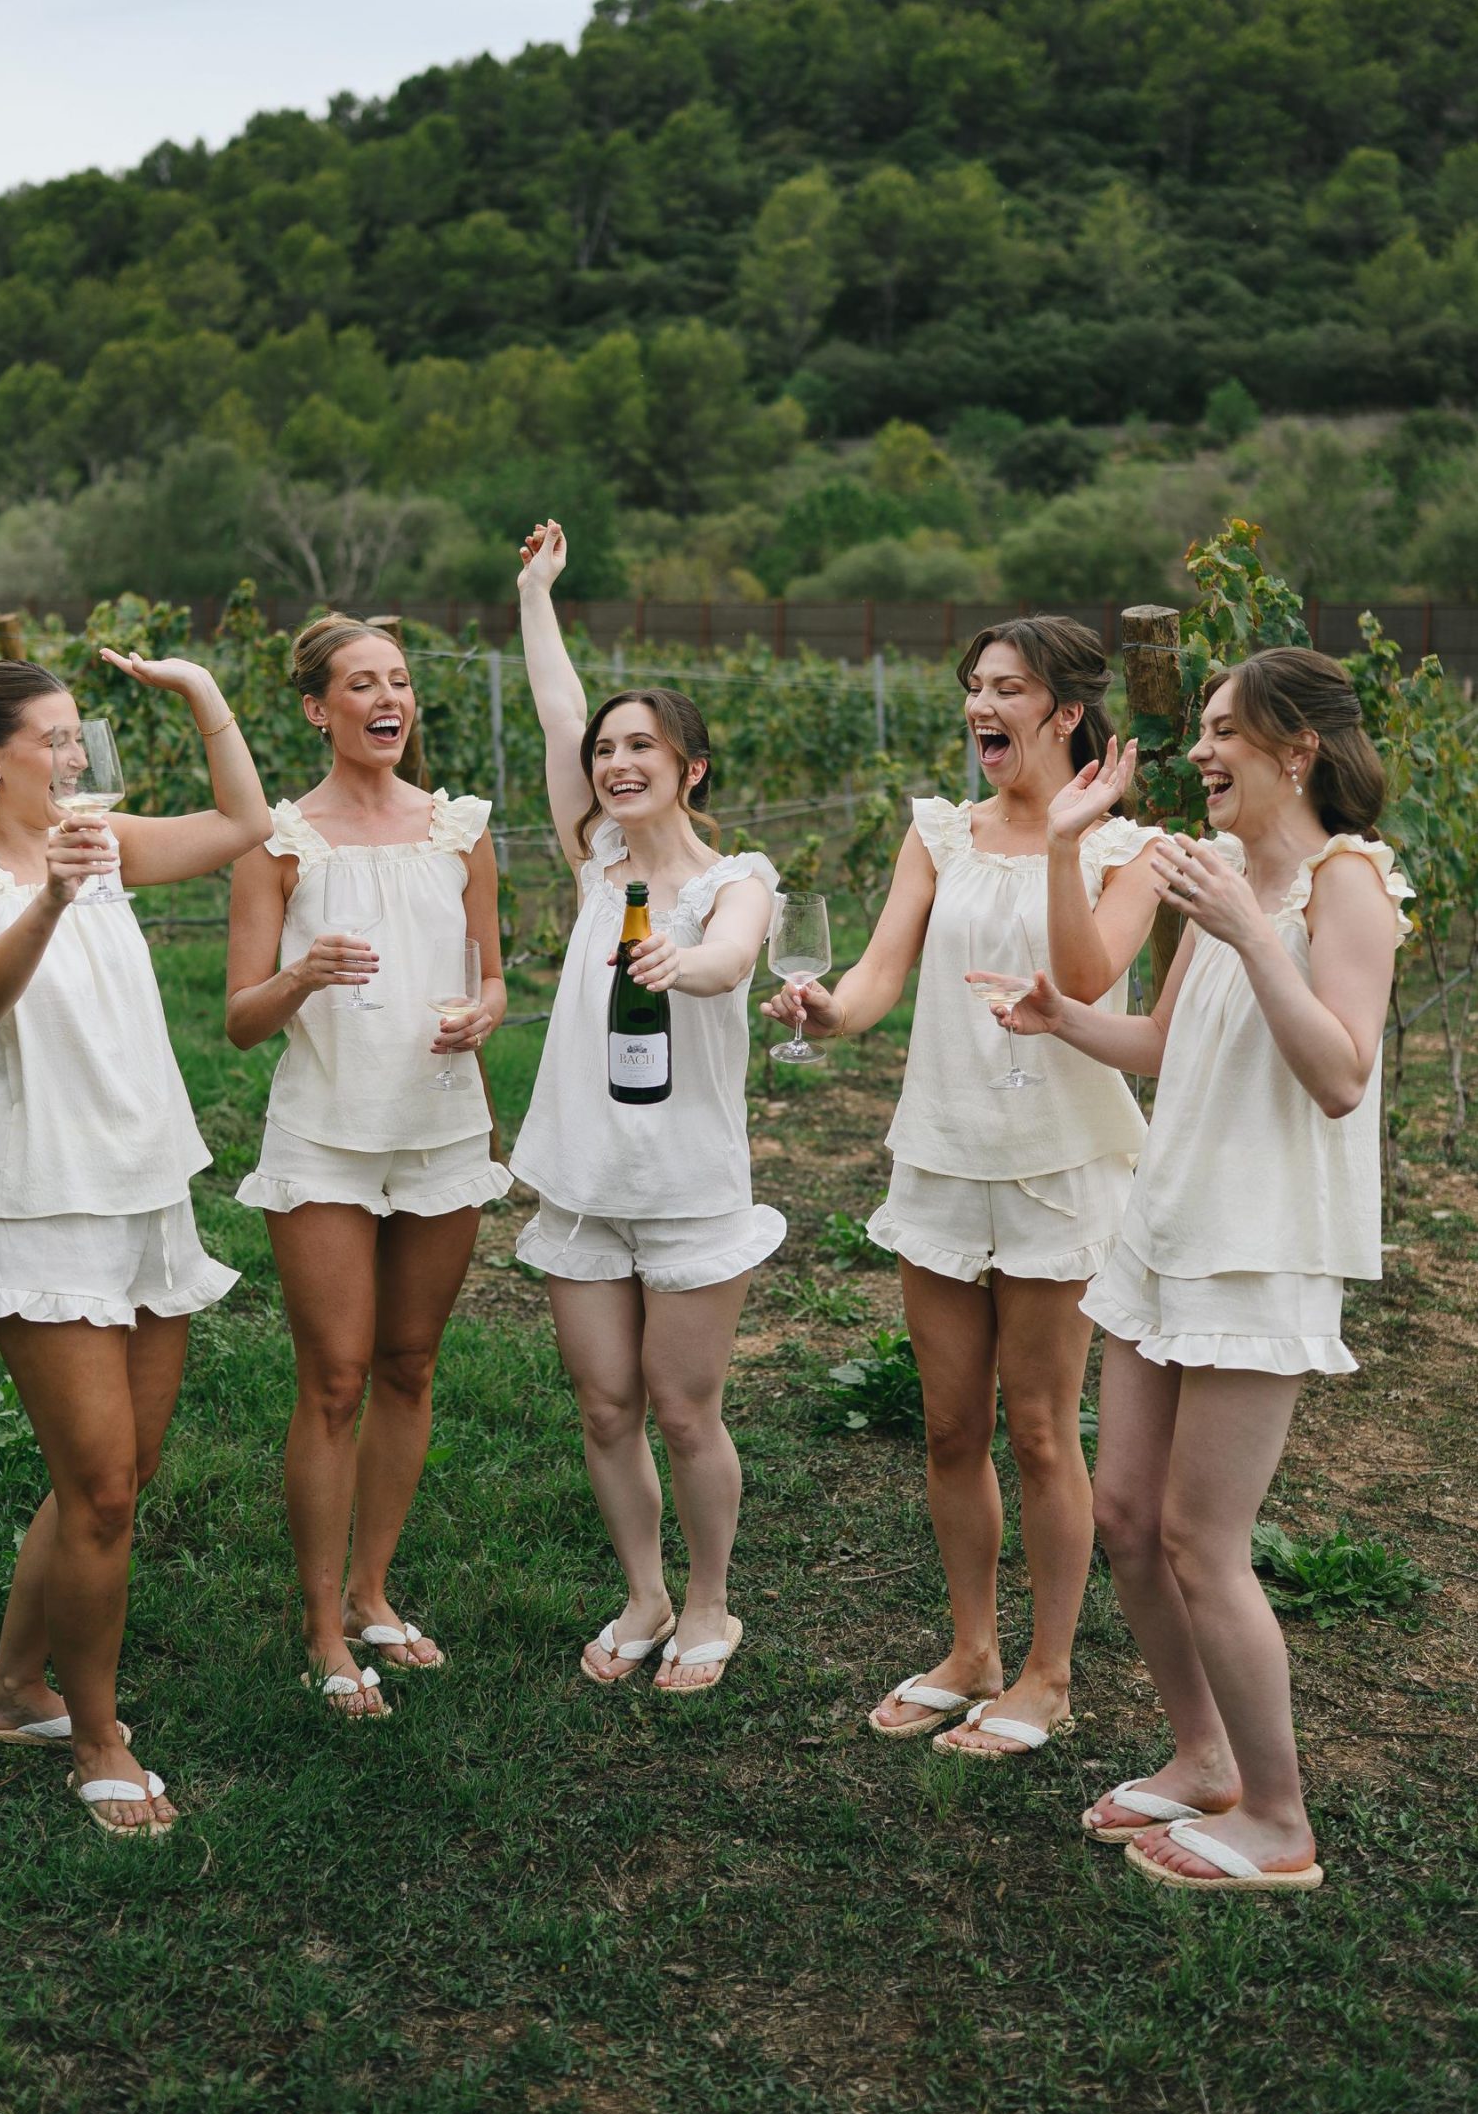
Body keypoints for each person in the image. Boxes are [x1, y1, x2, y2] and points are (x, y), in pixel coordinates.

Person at [986, 648, 1409, 1889]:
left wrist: (1248, 931)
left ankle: (1279, 1823)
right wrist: (1065, 1018)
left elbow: (1339, 1075)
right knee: (1126, 1519)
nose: (1202, 751)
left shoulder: (1351, 886)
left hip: (1261, 1242)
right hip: (1168, 1227)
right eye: (1204, 728)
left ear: (1299, 751)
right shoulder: (1220, 876)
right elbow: (1166, 1044)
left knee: (1203, 1541)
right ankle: (1203, 1757)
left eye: (1228, 730)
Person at [763, 619, 1161, 1756]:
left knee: (1040, 1430)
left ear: (1065, 713)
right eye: (974, 688)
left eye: (1009, 689)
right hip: (941, 1151)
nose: (981, 707)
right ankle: (971, 1648)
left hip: (1057, 1163)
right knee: (948, 1429)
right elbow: (881, 971)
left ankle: (1047, 1671)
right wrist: (829, 1010)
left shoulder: (1123, 848)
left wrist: (1061, 843)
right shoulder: (939, 831)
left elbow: (1087, 980)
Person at [0, 650, 272, 1838]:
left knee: (115, 1480)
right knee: (102, 1488)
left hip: (149, 1192)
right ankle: (98, 1740)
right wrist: (50, 893)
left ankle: (11, 1691)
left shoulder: (101, 841)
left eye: (79, 740)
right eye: (50, 741)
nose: (69, 759)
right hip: (44, 1198)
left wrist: (202, 692)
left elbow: (246, 822)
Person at [511, 522, 782, 1693]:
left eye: (643, 747)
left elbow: (731, 959)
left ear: (691, 768)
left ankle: (712, 1602)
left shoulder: (736, 880)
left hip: (684, 1185)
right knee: (606, 1404)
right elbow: (556, 701)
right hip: (583, 1180)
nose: (617, 761)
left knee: (683, 1408)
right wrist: (535, 593)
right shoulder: (596, 860)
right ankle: (643, 1592)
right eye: (608, 748)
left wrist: (688, 964)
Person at [227, 615, 509, 1717]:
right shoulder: (281, 839)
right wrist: (302, 976)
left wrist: (483, 1015)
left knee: (409, 1366)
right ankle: (320, 1629)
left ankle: (374, 1591)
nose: (387, 699)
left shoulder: (461, 828)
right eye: (361, 684)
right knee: (334, 1378)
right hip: (326, 1135)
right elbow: (243, 1020)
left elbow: (492, 975)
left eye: (398, 682)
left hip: (440, 1126)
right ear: (318, 708)